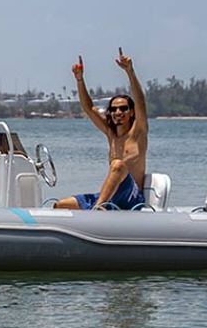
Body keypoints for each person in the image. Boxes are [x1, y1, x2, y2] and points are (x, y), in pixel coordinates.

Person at [55, 48, 149, 211]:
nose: (118, 112)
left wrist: (130, 71)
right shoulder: (111, 134)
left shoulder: (138, 132)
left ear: (131, 111)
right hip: (110, 195)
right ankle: (96, 212)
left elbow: (140, 103)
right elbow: (89, 108)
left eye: (123, 108)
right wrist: (79, 79)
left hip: (132, 197)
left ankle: (97, 210)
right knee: (61, 205)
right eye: (114, 109)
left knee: (118, 165)